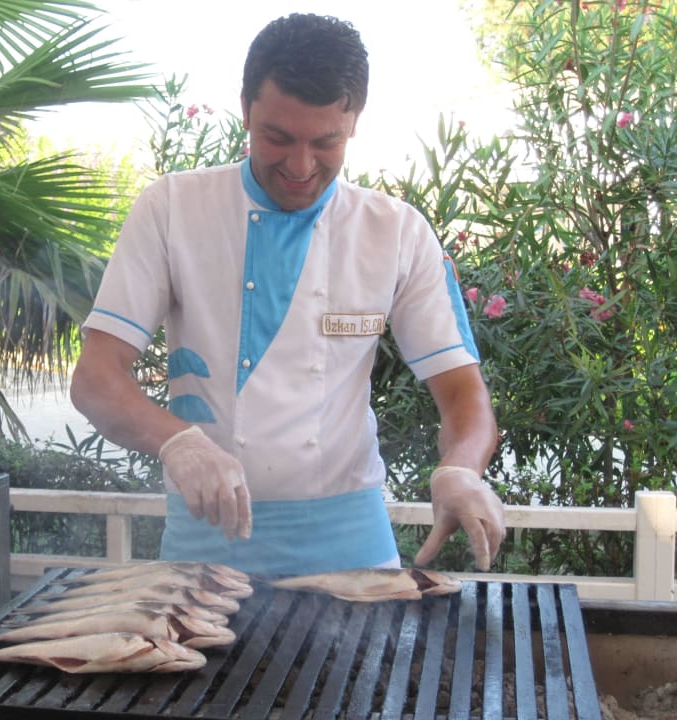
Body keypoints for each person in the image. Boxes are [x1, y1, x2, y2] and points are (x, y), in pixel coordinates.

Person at [70, 12, 505, 576]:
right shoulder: (172, 208)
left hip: (352, 545)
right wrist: (179, 443)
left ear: (355, 122)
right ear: (246, 108)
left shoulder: (395, 231)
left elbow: (462, 394)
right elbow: (95, 379)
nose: (300, 166)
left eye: (327, 143)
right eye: (277, 138)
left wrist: (461, 470)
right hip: (207, 544)